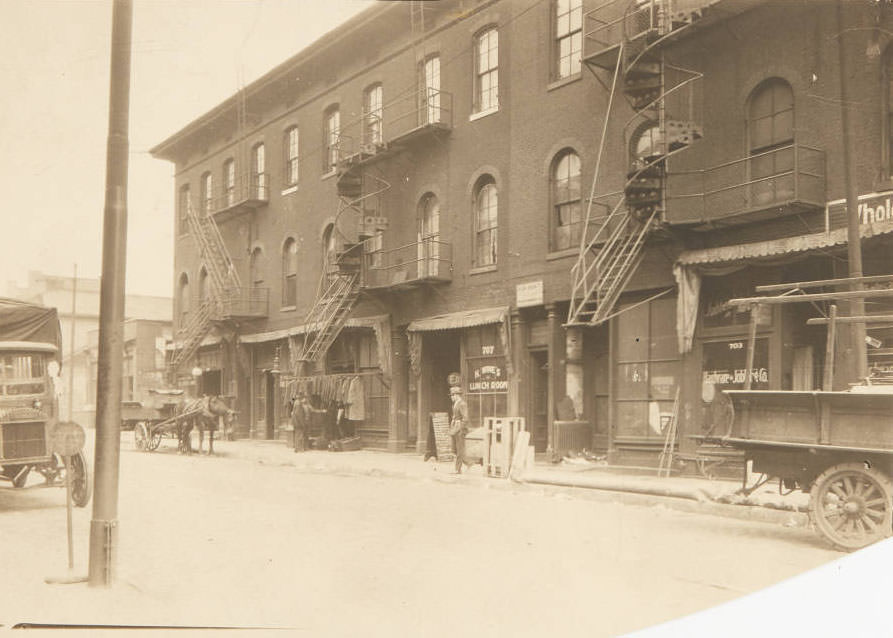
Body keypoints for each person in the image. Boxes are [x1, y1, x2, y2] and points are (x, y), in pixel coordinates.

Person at [448, 385, 469, 474]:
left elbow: (465, 418)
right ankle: (468, 463)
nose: (451, 397)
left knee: (459, 450)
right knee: (455, 449)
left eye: (452, 395)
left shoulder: (462, 404)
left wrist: (461, 428)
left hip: (460, 429)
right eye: (451, 395)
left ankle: (458, 469)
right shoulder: (456, 404)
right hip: (455, 429)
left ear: (457, 395)